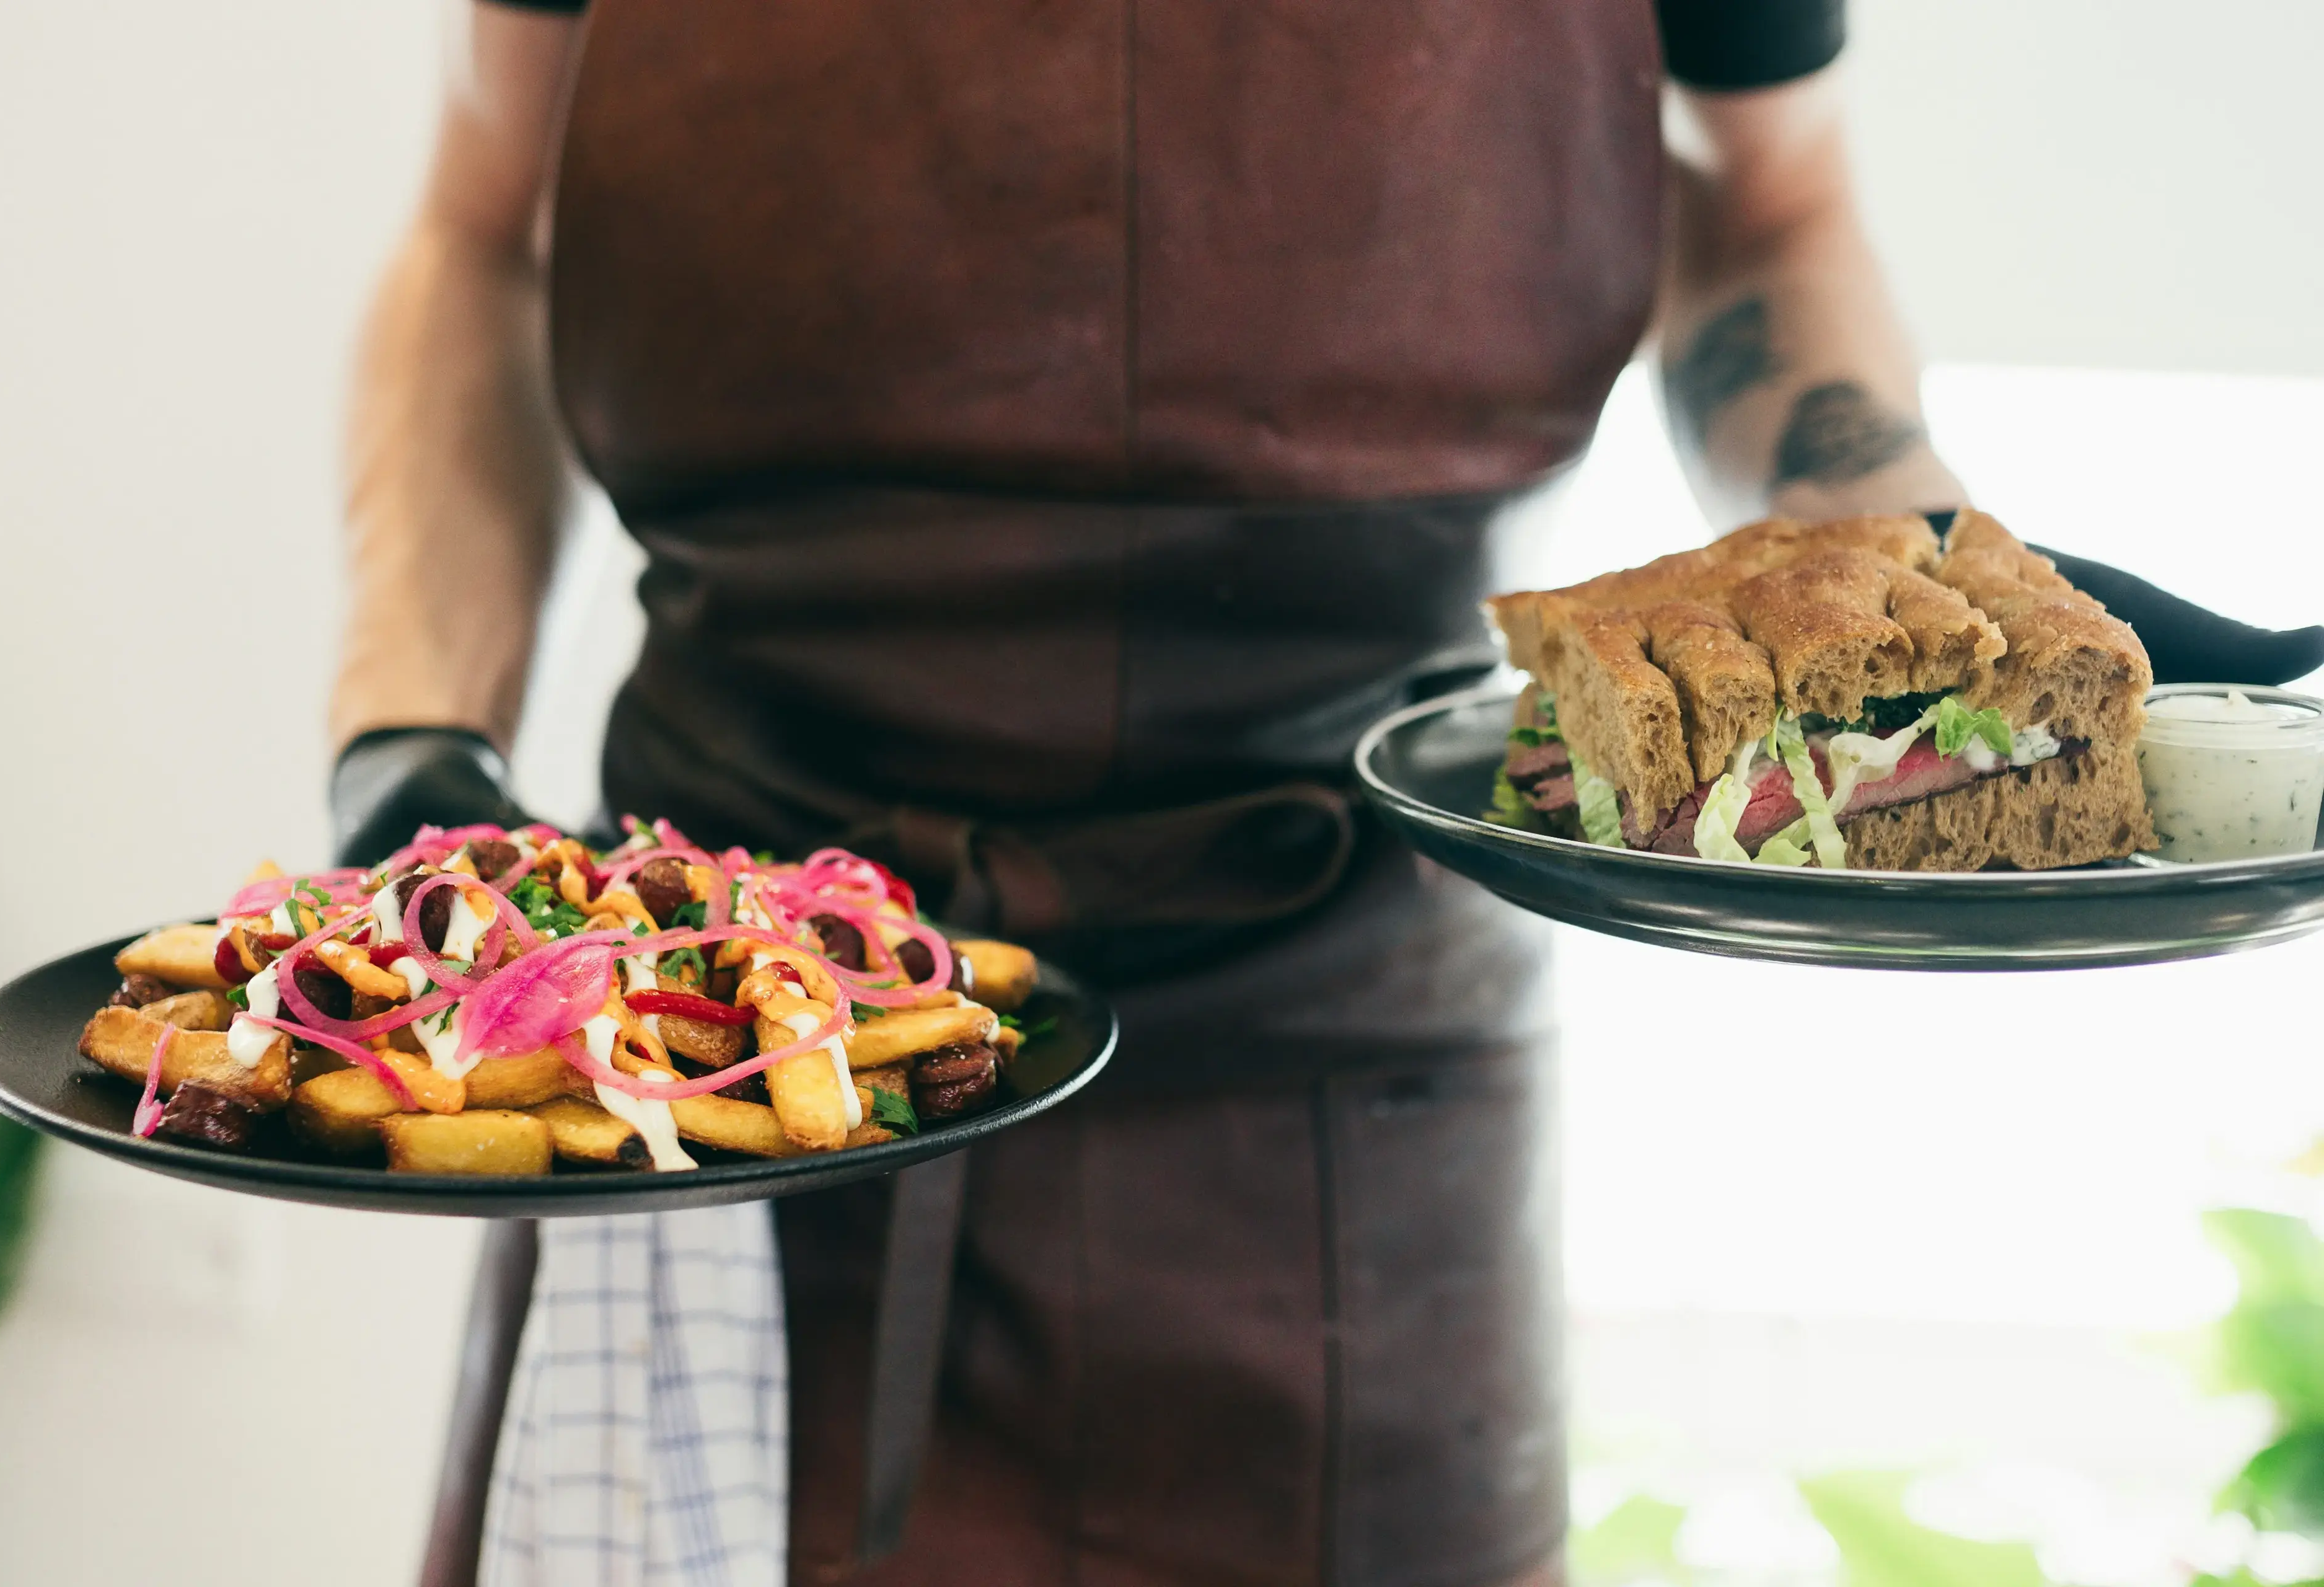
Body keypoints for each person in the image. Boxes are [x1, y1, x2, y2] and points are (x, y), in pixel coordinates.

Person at [330, 3, 1970, 1583]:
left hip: (1358, 1070)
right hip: (725, 1059)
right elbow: (486, 227)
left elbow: (1770, 209)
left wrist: (1924, 581)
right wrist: (409, 732)